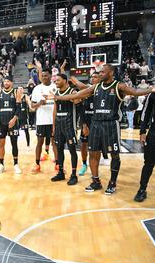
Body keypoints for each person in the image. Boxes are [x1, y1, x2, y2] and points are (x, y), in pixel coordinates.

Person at [52, 64, 155, 195]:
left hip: (111, 124)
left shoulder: (119, 86)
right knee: (93, 153)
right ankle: (96, 181)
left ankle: (112, 183)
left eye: (102, 72)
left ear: (111, 73)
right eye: (99, 72)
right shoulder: (95, 87)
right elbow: (76, 95)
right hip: (95, 124)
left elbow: (135, 92)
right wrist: (58, 97)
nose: (100, 73)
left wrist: (151, 89)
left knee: (114, 155)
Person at [51, 74, 82, 185]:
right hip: (59, 125)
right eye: (55, 80)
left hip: (70, 126)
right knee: (59, 149)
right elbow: (54, 110)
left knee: (72, 150)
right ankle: (61, 172)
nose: (56, 82)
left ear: (65, 80)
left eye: (58, 80)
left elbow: (79, 107)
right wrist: (53, 126)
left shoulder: (73, 92)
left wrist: (82, 124)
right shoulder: (56, 93)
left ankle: (74, 175)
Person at [30, 68, 58, 173]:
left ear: (51, 76)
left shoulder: (55, 87)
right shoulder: (37, 89)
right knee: (39, 143)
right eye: (42, 76)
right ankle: (37, 164)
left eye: (46, 75)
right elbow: (32, 106)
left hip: (53, 121)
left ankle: (58, 164)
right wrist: (39, 104)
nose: (44, 77)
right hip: (41, 121)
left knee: (55, 143)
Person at [0, 76, 23, 174]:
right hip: (1, 122)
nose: (6, 83)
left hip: (12, 122)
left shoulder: (15, 92)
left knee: (14, 143)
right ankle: (1, 164)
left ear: (12, 83)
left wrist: (15, 118)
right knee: (1, 143)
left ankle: (16, 164)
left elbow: (19, 108)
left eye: (8, 81)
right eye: (5, 81)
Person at [134, 92, 155, 202]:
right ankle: (142, 189)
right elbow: (145, 113)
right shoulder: (153, 94)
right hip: (153, 132)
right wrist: (142, 131)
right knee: (149, 162)